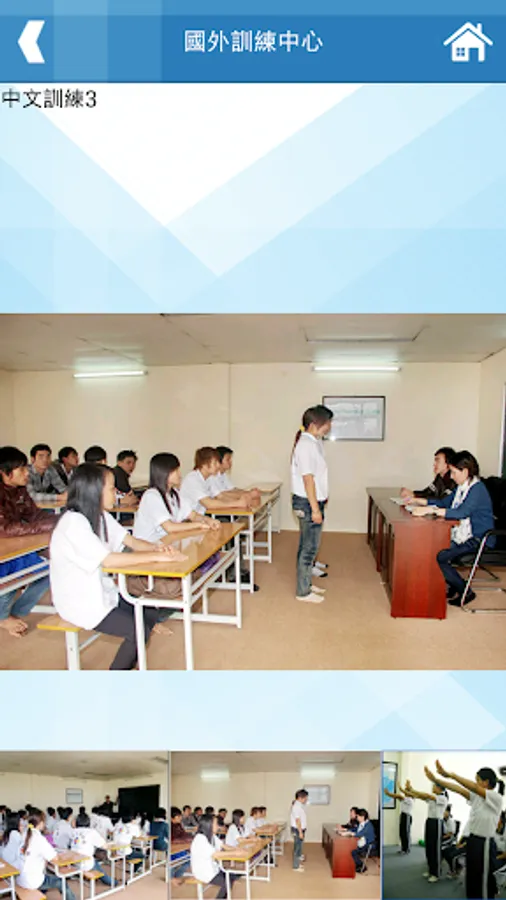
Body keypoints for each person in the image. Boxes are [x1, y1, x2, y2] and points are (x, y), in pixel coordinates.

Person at [49, 463, 186, 670]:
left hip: (102, 591)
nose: (117, 494)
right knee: (137, 630)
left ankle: (131, 659)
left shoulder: (100, 515)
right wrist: (158, 557)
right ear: (94, 491)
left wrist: (158, 548)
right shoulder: (73, 523)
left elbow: (130, 541)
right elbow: (109, 560)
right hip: (80, 602)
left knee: (149, 611)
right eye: (112, 489)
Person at [411, 451, 495, 606]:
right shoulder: (462, 487)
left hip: (479, 538)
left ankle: (465, 591)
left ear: (465, 471)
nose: (451, 476)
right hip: (464, 535)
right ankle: (453, 585)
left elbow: (462, 512)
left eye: (454, 472)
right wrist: (418, 501)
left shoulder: (477, 489)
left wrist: (432, 510)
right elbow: (444, 502)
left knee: (441, 557)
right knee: (433, 548)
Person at [425, 761, 505, 899]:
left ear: (486, 782)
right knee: (472, 876)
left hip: (484, 843)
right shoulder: (477, 797)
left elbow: (472, 786)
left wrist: (451, 775)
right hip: (473, 840)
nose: (476, 783)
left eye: (478, 780)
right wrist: (437, 780)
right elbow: (458, 789)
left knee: (482, 880)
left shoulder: (496, 798)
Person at [0, 446, 55, 637]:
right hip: (5, 550)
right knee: (12, 577)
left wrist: (60, 520)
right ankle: (3, 617)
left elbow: (35, 515)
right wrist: (43, 526)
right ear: (4, 472)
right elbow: (4, 528)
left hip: (12, 546)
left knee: (48, 569)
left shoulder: (20, 490)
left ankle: (14, 613)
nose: (27, 473)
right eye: (21, 469)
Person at [290, 405, 333, 604]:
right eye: (328, 423)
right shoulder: (306, 445)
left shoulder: (312, 442)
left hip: (311, 501)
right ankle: (303, 592)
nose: (329, 427)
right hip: (307, 503)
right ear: (316, 424)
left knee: (306, 546)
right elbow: (308, 480)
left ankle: (306, 583)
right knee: (309, 549)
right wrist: (315, 509)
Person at [17, 809, 77, 900]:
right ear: (41, 823)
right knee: (61, 881)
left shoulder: (24, 834)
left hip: (20, 878)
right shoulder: (39, 839)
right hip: (32, 881)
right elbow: (54, 858)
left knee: (46, 875)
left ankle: (40, 893)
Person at [402, 777, 447, 883]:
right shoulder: (433, 797)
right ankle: (430, 870)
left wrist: (412, 789)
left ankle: (436, 873)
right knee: (429, 847)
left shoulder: (443, 798)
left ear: (439, 788)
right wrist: (411, 790)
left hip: (437, 823)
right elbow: (421, 796)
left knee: (435, 849)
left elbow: (426, 795)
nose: (432, 788)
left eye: (434, 786)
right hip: (430, 822)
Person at [191, 813, 239, 899]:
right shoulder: (200, 839)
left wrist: (237, 849)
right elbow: (216, 854)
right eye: (216, 824)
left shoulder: (211, 836)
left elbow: (224, 846)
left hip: (212, 868)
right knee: (227, 882)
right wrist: (236, 853)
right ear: (208, 825)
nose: (218, 826)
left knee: (232, 876)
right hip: (203, 872)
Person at [71, 822, 113, 886]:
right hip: (86, 863)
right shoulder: (91, 832)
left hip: (74, 862)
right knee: (101, 872)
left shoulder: (73, 831)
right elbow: (104, 846)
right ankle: (113, 883)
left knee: (93, 858)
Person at [384, 788, 414, 854]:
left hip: (407, 816)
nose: (404, 792)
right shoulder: (405, 799)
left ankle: (406, 849)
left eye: (406, 791)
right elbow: (398, 797)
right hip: (403, 815)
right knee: (402, 833)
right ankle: (403, 849)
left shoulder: (409, 799)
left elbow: (399, 796)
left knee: (406, 833)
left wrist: (388, 794)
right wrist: (390, 795)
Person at [170, 807, 190, 883]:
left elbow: (184, 834)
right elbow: (172, 840)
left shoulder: (179, 825)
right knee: (173, 862)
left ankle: (176, 876)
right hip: (173, 850)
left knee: (189, 859)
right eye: (178, 816)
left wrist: (190, 839)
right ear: (172, 818)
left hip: (179, 848)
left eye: (180, 816)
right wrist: (185, 840)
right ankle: (172, 877)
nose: (180, 818)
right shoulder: (169, 826)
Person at [291, 789, 308, 872]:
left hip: (300, 829)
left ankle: (297, 863)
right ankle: (295, 866)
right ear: (300, 797)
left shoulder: (299, 805)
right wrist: (300, 832)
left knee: (299, 847)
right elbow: (297, 820)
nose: (306, 799)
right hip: (298, 830)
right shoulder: (296, 806)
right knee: (297, 848)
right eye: (305, 798)